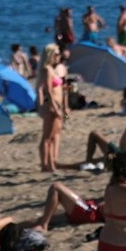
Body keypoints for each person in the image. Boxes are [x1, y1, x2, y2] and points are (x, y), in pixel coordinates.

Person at [36, 44, 67, 172]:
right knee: (48, 137)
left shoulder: (52, 69)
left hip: (56, 104)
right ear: (51, 55)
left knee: (53, 135)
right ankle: (47, 165)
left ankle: (50, 163)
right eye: (56, 54)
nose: (59, 56)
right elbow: (47, 89)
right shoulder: (47, 69)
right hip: (51, 105)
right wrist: (54, 106)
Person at [30, 182, 103, 231]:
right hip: (90, 209)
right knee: (37, 220)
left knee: (56, 187)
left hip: (90, 212)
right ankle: (21, 228)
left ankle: (43, 225)